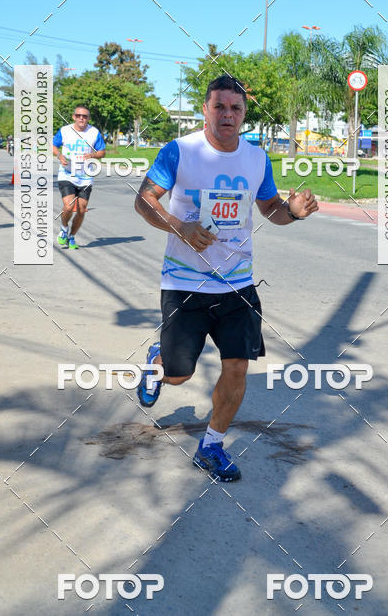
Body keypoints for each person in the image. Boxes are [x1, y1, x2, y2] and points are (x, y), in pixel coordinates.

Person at [134, 75, 319, 482]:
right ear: (205, 109)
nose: (227, 115)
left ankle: (212, 447)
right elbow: (143, 200)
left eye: (235, 108)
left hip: (238, 285)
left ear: (244, 114)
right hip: (185, 283)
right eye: (219, 106)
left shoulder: (256, 158)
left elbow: (271, 209)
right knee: (179, 375)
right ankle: (158, 361)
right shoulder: (180, 151)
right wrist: (179, 226)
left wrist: (293, 212)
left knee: (237, 367)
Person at [52, 105, 106, 250]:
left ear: (88, 118)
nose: (81, 118)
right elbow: (54, 146)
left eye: (85, 116)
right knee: (69, 206)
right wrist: (59, 155)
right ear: (73, 117)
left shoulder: (94, 132)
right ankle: (64, 229)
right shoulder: (64, 131)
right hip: (67, 173)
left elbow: (102, 152)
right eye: (78, 115)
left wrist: (93, 155)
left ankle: (72, 236)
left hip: (86, 176)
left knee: (81, 210)